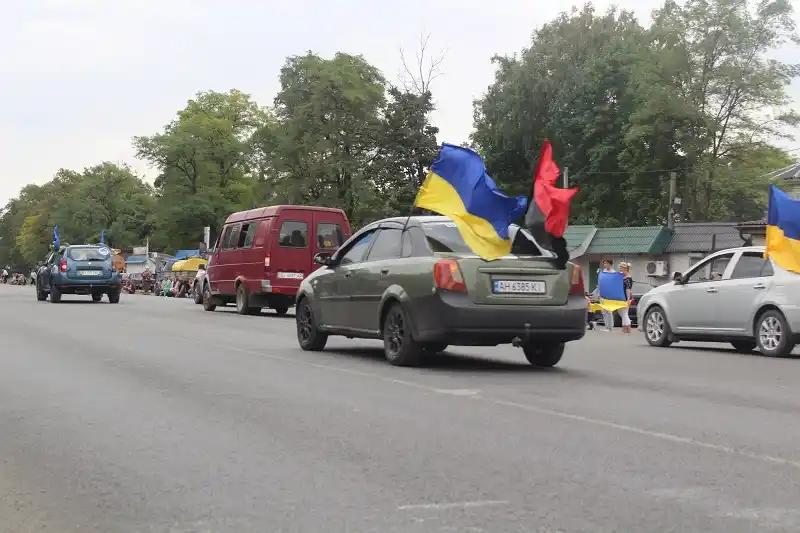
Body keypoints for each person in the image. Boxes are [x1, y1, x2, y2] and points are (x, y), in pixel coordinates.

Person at [598, 259, 615, 332]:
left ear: (610, 264)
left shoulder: (613, 272)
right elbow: (600, 282)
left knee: (609, 310)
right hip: (602, 292)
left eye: (606, 263)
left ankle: (610, 327)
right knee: (603, 311)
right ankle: (606, 326)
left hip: (609, 293)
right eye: (604, 263)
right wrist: (599, 293)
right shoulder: (603, 272)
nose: (605, 265)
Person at [618, 262, 634, 334]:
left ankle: (628, 329)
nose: (620, 269)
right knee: (622, 313)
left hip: (625, 297)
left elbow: (628, 289)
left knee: (624, 314)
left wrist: (628, 299)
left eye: (621, 268)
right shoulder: (623, 277)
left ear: (625, 269)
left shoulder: (628, 278)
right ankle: (625, 329)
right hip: (621, 297)